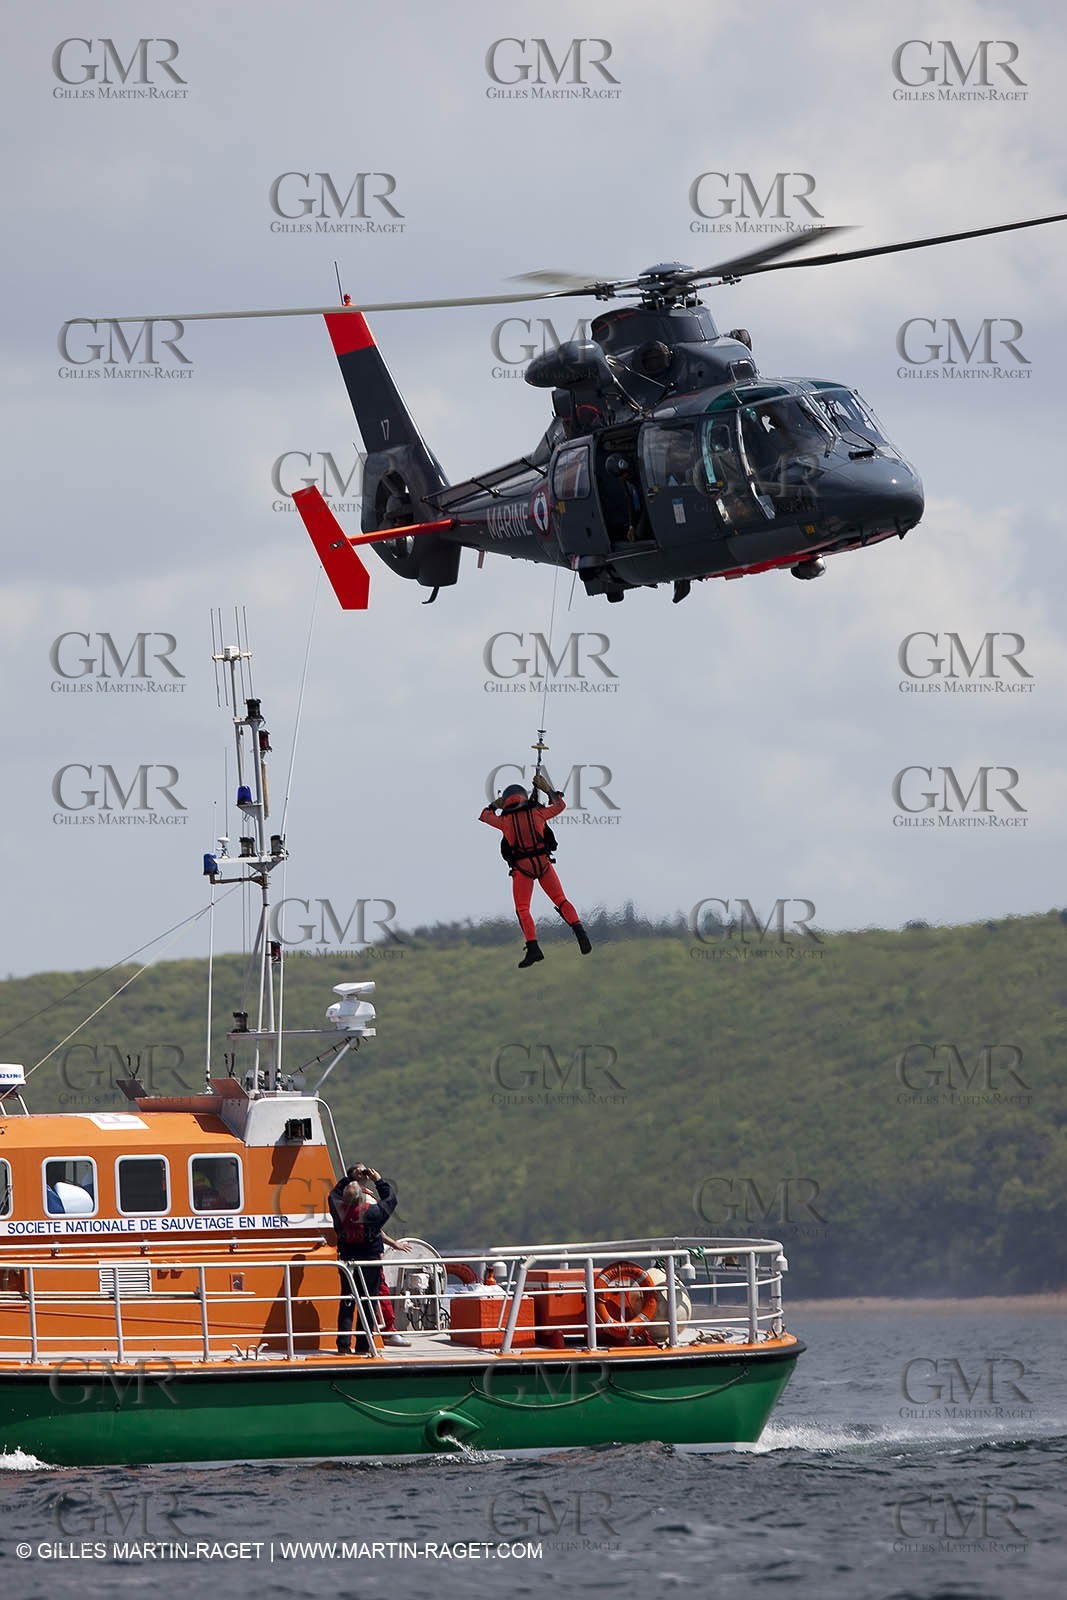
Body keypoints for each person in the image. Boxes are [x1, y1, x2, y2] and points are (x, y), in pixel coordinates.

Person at [480, 774, 593, 968]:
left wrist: (494, 805)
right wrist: (546, 788)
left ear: (506, 801)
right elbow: (560, 806)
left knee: (523, 909)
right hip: (543, 863)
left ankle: (533, 948)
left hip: (522, 869)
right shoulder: (537, 812)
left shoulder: (504, 820)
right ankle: (580, 934)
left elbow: (484, 815)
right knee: (561, 900)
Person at [328, 1163, 400, 1354]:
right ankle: (363, 1345)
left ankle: (343, 1345)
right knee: (368, 1303)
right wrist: (379, 1180)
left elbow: (333, 1194)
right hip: (370, 1262)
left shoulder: (338, 1210)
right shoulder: (372, 1213)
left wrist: (350, 1177)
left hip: (347, 1263)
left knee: (347, 1302)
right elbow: (390, 1200)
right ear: (363, 1197)